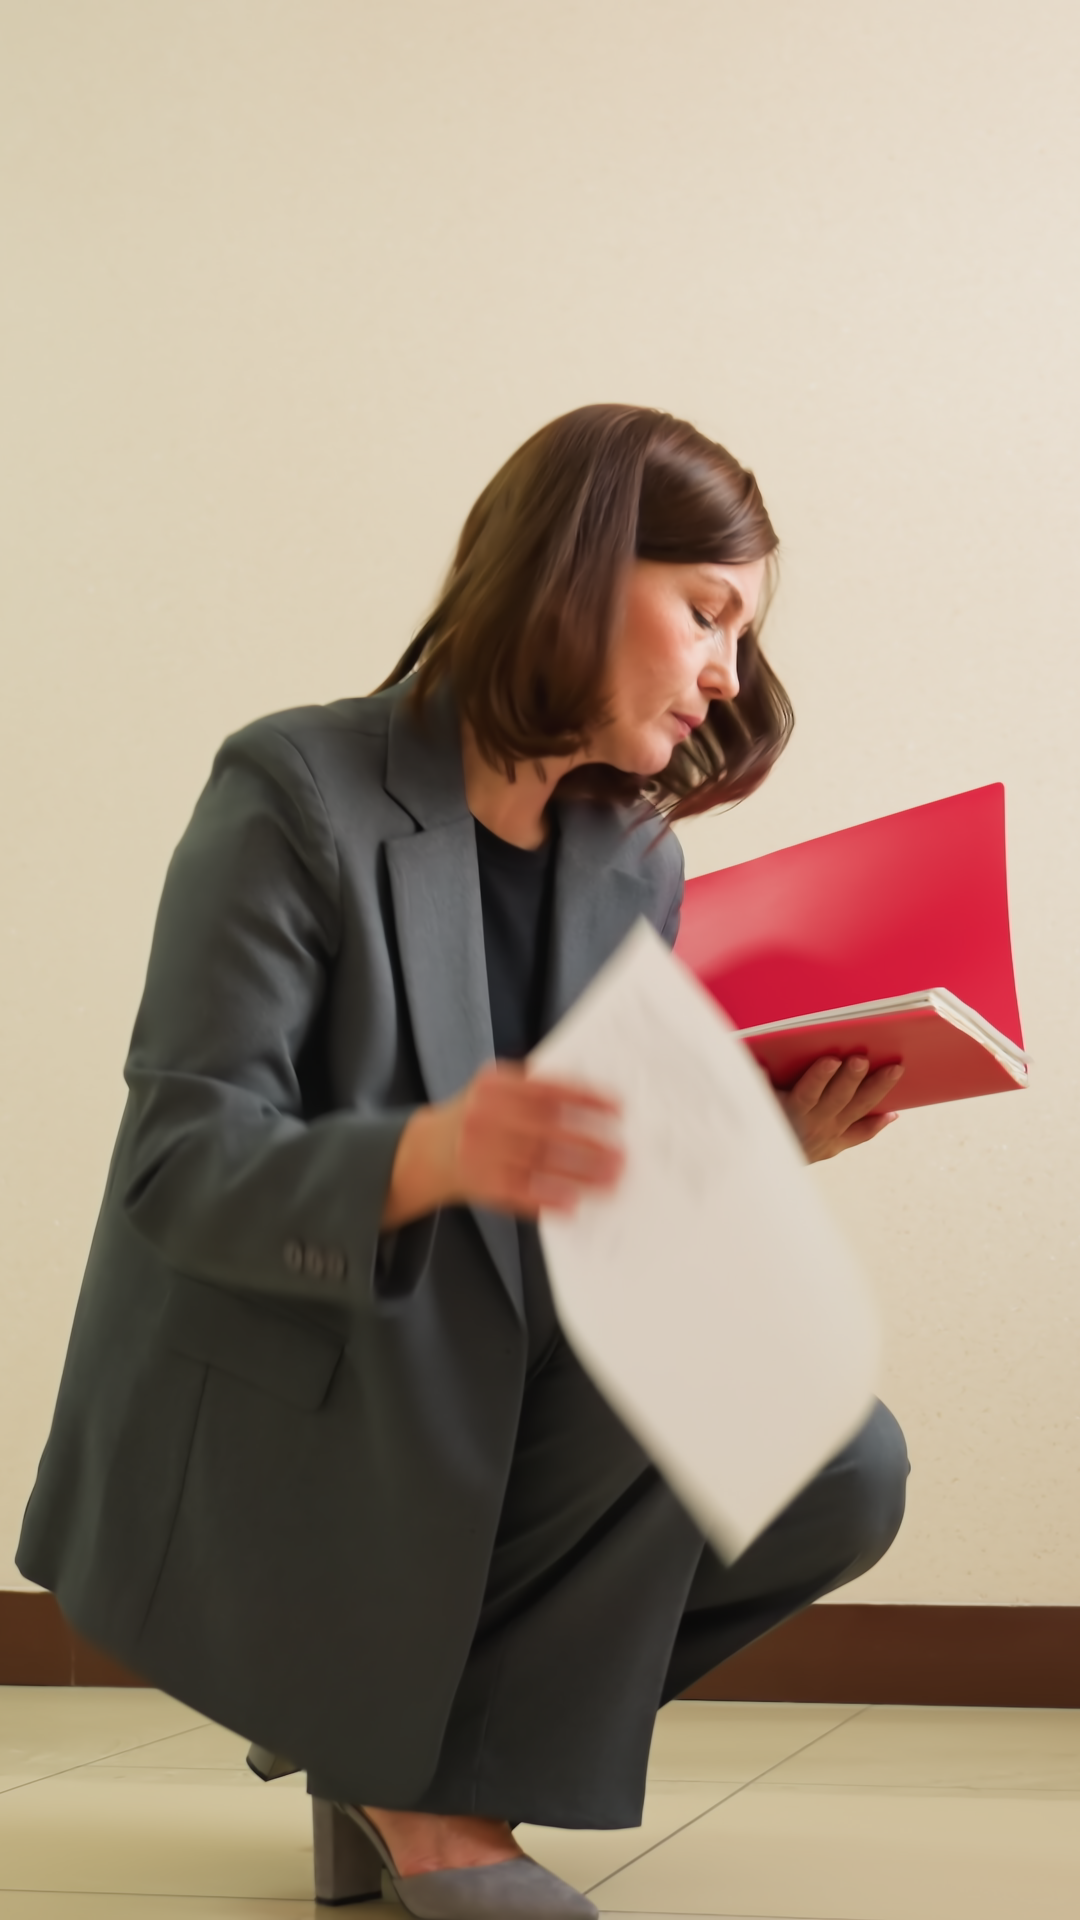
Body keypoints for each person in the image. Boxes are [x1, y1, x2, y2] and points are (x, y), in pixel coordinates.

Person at [18, 404, 909, 1917]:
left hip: (484, 1363)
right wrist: (427, 1155)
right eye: (707, 613)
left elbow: (583, 1182)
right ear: (579, 569)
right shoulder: (295, 789)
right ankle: (421, 1802)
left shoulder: (630, 857)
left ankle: (404, 1763)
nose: (727, 673)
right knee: (648, 1388)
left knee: (840, 1467)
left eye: (744, 638)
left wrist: (761, 1144)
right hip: (309, 1386)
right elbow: (181, 1163)